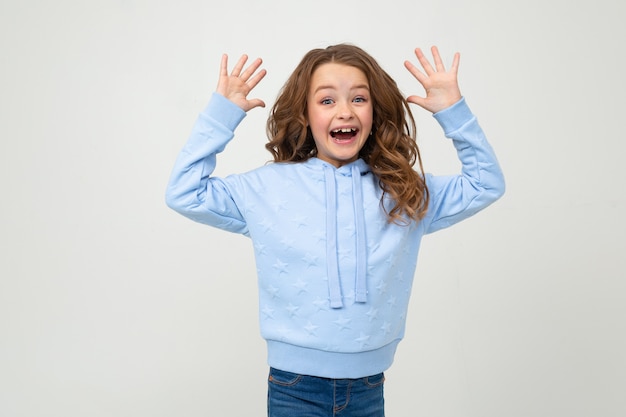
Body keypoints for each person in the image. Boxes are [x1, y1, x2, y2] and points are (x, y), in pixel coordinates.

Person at [165, 44, 505, 417]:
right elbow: (185, 192)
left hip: (369, 386)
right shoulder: (266, 188)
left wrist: (453, 113)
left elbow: (485, 184)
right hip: (293, 387)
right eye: (327, 101)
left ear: (375, 112)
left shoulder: (403, 190)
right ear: (305, 114)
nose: (345, 111)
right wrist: (222, 115)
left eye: (359, 98)